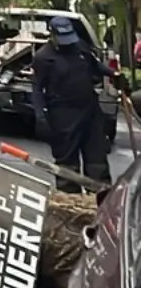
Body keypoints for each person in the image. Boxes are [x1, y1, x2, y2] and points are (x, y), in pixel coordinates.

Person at [31, 17, 126, 193]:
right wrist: (40, 116)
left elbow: (95, 66)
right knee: (67, 163)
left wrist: (114, 74)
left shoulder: (80, 47)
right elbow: (37, 88)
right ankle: (71, 202)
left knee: (97, 158)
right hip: (62, 113)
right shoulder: (44, 57)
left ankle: (100, 198)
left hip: (89, 110)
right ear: (52, 35)